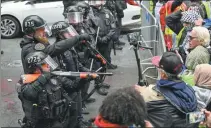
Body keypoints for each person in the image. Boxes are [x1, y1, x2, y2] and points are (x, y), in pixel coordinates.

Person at [136, 51, 198, 127]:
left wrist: (141, 91)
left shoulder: (151, 93)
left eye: (159, 69)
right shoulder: (189, 90)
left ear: (163, 74)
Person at [89, 1, 117, 69]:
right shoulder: (89, 13)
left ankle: (108, 64)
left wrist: (107, 37)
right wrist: (97, 38)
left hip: (107, 38)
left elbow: (113, 27)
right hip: (95, 39)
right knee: (96, 56)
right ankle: (99, 67)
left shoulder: (107, 12)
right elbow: (89, 28)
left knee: (107, 53)